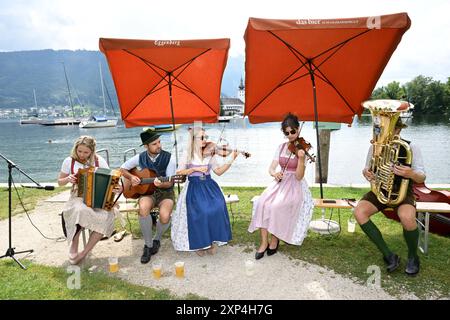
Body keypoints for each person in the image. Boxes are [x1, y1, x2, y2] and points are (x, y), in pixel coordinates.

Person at [354, 118, 426, 276]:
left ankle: (413, 257)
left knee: (407, 217)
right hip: (380, 190)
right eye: (383, 129)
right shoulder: (375, 146)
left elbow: (421, 177)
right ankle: (389, 255)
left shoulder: (411, 147)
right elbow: (367, 169)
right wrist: (367, 173)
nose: (384, 134)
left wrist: (411, 173)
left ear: (398, 130)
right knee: (359, 212)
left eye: (389, 129)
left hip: (402, 190)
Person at [248, 113, 314, 260]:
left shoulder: (303, 149)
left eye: (293, 132)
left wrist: (302, 159)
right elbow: (271, 168)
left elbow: (299, 177)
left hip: (294, 185)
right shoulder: (281, 147)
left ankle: (275, 238)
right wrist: (275, 174)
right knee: (261, 203)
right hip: (280, 182)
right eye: (287, 133)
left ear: (298, 130)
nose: (290, 135)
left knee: (276, 206)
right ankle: (264, 242)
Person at [171, 126, 237, 256]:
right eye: (202, 137)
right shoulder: (187, 154)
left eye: (206, 137)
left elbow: (218, 171)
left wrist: (231, 158)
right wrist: (194, 170)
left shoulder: (210, 153)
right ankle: (200, 244)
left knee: (218, 207)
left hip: (209, 185)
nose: (205, 140)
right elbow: (179, 172)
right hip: (194, 187)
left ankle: (211, 241)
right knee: (202, 212)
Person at [58, 135, 121, 265]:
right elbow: (60, 182)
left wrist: (117, 188)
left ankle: (84, 252)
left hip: (100, 197)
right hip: (78, 196)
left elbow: (111, 182)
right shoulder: (68, 161)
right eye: (79, 151)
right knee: (79, 210)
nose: (82, 154)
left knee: (105, 216)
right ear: (75, 149)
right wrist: (67, 179)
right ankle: (74, 244)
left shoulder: (100, 161)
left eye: (86, 152)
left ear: (92, 151)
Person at [120, 129, 176, 264]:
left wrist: (160, 184)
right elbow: (122, 169)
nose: (159, 146)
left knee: (164, 216)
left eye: (159, 142)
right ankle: (148, 245)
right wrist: (132, 177)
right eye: (154, 144)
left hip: (165, 192)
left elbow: (170, 182)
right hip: (147, 192)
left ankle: (157, 239)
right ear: (146, 146)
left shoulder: (170, 158)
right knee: (143, 207)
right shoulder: (140, 157)